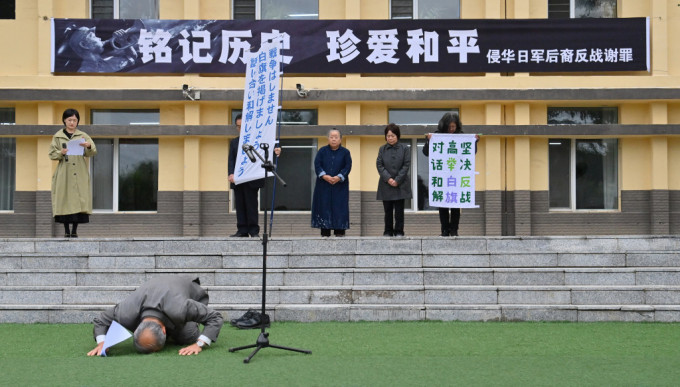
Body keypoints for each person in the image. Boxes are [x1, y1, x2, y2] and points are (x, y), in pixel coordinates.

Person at [87, 275, 224, 356]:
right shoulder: (126, 313)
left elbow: (215, 317)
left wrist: (199, 344)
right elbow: (101, 320)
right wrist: (102, 343)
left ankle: (183, 328)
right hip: (157, 293)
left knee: (187, 337)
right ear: (136, 327)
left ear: (164, 330)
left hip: (187, 290)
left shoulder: (182, 308)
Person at [423, 112, 479, 236]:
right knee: (442, 203)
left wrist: (474, 142)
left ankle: (454, 230)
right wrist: (428, 141)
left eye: (453, 127)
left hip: (456, 176)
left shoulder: (461, 136)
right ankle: (444, 230)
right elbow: (426, 152)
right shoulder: (437, 135)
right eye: (449, 127)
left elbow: (470, 153)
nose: (451, 130)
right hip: (442, 176)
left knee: (455, 203)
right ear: (444, 126)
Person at [227, 114, 280, 237]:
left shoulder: (257, 140)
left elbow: (270, 146)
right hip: (238, 178)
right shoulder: (234, 142)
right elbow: (231, 160)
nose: (241, 129)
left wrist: (277, 149)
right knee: (240, 205)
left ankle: (253, 230)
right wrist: (231, 173)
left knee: (251, 205)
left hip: (252, 178)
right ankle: (242, 230)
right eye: (238, 126)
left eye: (243, 126)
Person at [49, 109, 97, 238]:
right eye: (69, 120)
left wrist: (87, 146)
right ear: (64, 120)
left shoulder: (83, 135)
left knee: (78, 198)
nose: (72, 123)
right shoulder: (58, 136)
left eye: (74, 120)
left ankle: (75, 230)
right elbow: (52, 154)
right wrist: (61, 153)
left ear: (78, 122)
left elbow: (92, 152)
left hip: (79, 171)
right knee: (65, 198)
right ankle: (66, 230)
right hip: (64, 171)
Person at [311, 129, 352, 237]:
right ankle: (325, 233)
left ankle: (339, 232)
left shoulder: (345, 152)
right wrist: (324, 176)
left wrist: (339, 177)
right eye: (331, 137)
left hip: (340, 186)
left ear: (340, 139)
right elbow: (317, 165)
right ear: (328, 138)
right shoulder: (322, 151)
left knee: (340, 208)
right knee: (324, 208)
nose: (333, 139)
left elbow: (347, 166)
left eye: (336, 137)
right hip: (323, 185)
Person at [376, 123, 412, 237]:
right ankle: (388, 231)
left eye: (392, 135)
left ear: (397, 136)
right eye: (388, 135)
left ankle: (399, 231)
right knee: (388, 211)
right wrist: (388, 178)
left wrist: (397, 180)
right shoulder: (382, 149)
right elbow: (379, 164)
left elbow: (406, 165)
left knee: (399, 210)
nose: (390, 138)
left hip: (400, 184)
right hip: (386, 184)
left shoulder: (405, 149)